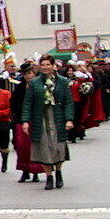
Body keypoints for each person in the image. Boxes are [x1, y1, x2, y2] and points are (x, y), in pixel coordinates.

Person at [22, 54, 74, 190]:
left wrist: (69, 119)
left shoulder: (62, 81)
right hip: (40, 117)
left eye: (48, 65)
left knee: (58, 146)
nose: (45, 67)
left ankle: (58, 173)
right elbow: (27, 103)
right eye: (43, 65)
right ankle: (49, 177)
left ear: (53, 66)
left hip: (57, 117)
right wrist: (25, 121)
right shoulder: (34, 83)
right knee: (43, 146)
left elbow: (69, 102)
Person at [11, 63, 42, 183]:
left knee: (34, 146)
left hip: (36, 119)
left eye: (29, 73)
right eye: (25, 74)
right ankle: (25, 171)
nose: (28, 76)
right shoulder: (20, 87)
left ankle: (35, 171)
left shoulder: (39, 86)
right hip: (22, 119)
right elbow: (14, 103)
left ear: (34, 74)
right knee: (22, 146)